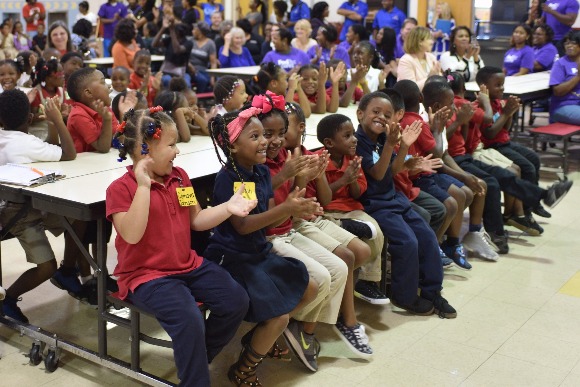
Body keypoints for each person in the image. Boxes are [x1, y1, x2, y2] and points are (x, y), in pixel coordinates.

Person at [106, 107, 251, 386]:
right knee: (189, 320)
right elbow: (132, 235)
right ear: (144, 149)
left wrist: (228, 207)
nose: (177, 151)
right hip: (147, 276)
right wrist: (144, 186)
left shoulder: (180, 176)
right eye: (172, 144)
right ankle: (195, 376)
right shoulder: (120, 189)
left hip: (188, 265)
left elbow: (196, 220)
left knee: (236, 301)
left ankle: (194, 359)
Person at [205, 106, 316, 384]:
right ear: (233, 146)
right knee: (279, 317)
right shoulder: (228, 178)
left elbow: (261, 207)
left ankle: (255, 340)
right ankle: (244, 369)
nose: (264, 141)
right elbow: (242, 225)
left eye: (262, 135)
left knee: (310, 288)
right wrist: (285, 209)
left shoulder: (259, 171)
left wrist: (296, 207)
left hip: (257, 251)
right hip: (233, 258)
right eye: (254, 136)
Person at [354, 91, 457, 318]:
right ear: (360, 114)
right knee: (407, 242)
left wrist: (406, 153)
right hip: (374, 204)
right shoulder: (357, 142)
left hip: (393, 199)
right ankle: (404, 295)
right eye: (376, 111)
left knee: (428, 237)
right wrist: (394, 144)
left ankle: (432, 292)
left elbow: (393, 169)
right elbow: (379, 174)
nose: (381, 117)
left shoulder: (382, 139)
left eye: (388, 114)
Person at [0, 90, 76, 323]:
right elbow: (68, 154)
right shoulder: (27, 143)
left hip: (16, 210)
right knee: (47, 266)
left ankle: (69, 271)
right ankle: (9, 299)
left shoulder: (11, 140)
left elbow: (51, 151)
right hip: (20, 216)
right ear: (31, 118)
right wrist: (58, 121)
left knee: (76, 219)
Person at [476, 66, 573, 217]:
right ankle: (528, 209)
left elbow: (505, 130)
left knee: (533, 158)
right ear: (484, 86)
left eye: (503, 84)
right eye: (498, 85)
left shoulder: (496, 102)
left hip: (503, 141)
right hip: (492, 145)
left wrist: (509, 114)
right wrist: (506, 113)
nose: (502, 88)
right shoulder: (482, 106)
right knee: (526, 167)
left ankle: (533, 204)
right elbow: (490, 134)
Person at [315, 112, 389, 304]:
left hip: (351, 208)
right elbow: (321, 199)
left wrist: (353, 179)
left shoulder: (352, 159)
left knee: (375, 230)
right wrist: (344, 180)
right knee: (332, 224)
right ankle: (343, 225)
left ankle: (368, 281)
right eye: (347, 136)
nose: (354, 139)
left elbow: (357, 194)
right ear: (329, 143)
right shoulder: (318, 161)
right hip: (327, 211)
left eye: (353, 134)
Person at [28, 57, 65, 142]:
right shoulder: (37, 93)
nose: (63, 76)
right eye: (59, 74)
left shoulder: (61, 91)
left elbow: (62, 112)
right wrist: (46, 115)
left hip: (56, 132)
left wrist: (64, 113)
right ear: (48, 78)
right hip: (39, 133)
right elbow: (31, 118)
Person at [549, 30, 580, 125]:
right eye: (566, 43)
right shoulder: (560, 64)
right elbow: (557, 91)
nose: (569, 46)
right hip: (564, 106)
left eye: (573, 43)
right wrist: (578, 76)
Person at [153, 19, 193, 87]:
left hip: (181, 72)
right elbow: (154, 44)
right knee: (167, 80)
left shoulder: (188, 43)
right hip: (166, 71)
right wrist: (163, 28)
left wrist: (172, 30)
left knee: (187, 84)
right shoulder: (169, 40)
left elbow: (177, 50)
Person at [189, 21, 217, 93]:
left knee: (207, 80)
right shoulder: (191, 41)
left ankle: (201, 100)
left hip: (203, 70)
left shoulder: (210, 43)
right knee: (202, 80)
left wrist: (212, 78)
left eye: (194, 30)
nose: (192, 31)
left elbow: (213, 62)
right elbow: (185, 57)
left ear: (200, 32)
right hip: (190, 68)